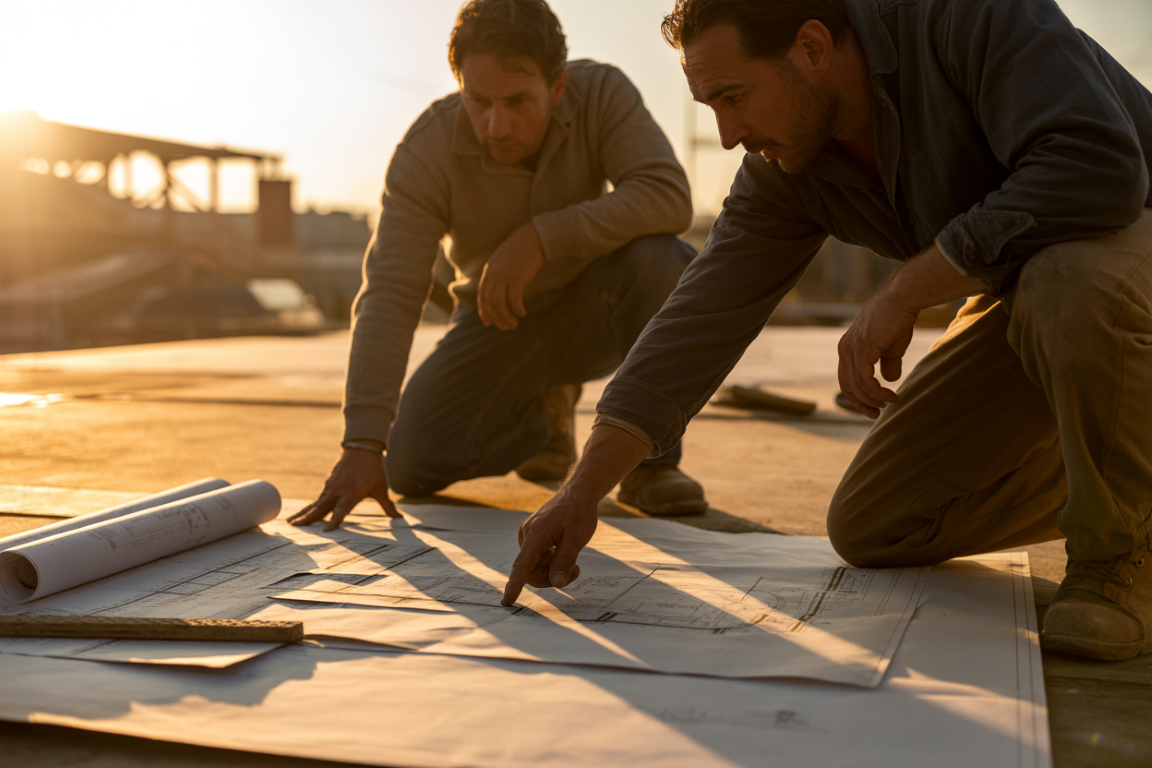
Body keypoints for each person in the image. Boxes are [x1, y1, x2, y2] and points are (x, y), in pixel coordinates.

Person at [502, 0, 1152, 663]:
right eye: (712, 108)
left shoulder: (968, 16)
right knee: (880, 522)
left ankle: (1119, 554)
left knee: (1067, 282)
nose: (727, 135)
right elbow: (700, 317)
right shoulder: (787, 166)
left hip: (1119, 246)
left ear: (812, 48)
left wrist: (906, 288)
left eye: (734, 97)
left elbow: (1096, 164)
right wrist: (582, 491)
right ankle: (1134, 472)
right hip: (1031, 295)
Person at [290, 0, 709, 534]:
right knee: (411, 462)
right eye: (478, 101)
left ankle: (649, 466)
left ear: (557, 87)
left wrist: (540, 237)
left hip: (593, 307)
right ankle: (544, 417)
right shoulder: (427, 150)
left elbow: (667, 196)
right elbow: (391, 290)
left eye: (517, 101)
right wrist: (361, 442)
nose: (496, 125)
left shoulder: (602, 92)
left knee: (664, 260)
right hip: (495, 319)